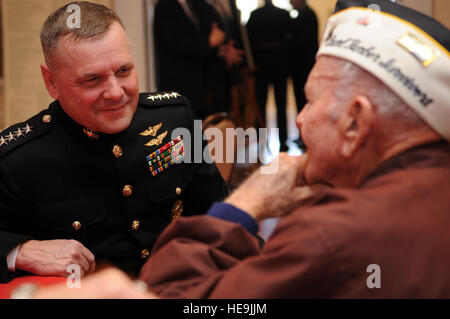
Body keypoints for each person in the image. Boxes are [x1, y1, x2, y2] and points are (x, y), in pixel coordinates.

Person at [137, 0, 450, 298]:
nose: (299, 119)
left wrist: (246, 202)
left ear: (356, 123)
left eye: (310, 102)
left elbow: (167, 293)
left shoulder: (330, 235)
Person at [0, 1, 228, 284]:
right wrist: (18, 251)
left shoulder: (174, 118)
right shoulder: (17, 160)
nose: (115, 92)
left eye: (123, 71)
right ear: (52, 82)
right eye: (92, 80)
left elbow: (218, 214)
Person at [154, 0, 243, 120]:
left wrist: (221, 51)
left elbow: (201, 38)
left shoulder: (193, 5)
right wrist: (209, 42)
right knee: (183, 130)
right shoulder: (165, 5)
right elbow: (175, 42)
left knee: (199, 130)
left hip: (198, 86)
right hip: (177, 84)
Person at [246, 0, 294, 152]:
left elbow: (249, 41)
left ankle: (261, 140)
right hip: (280, 66)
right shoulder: (283, 15)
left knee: (261, 104)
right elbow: (291, 40)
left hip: (261, 67)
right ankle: (283, 142)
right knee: (281, 106)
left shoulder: (255, 16)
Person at [290, 0, 318, 148]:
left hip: (304, 68)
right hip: (301, 68)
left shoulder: (307, 15)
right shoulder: (303, 14)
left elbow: (305, 42)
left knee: (304, 103)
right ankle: (302, 135)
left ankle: (306, 137)